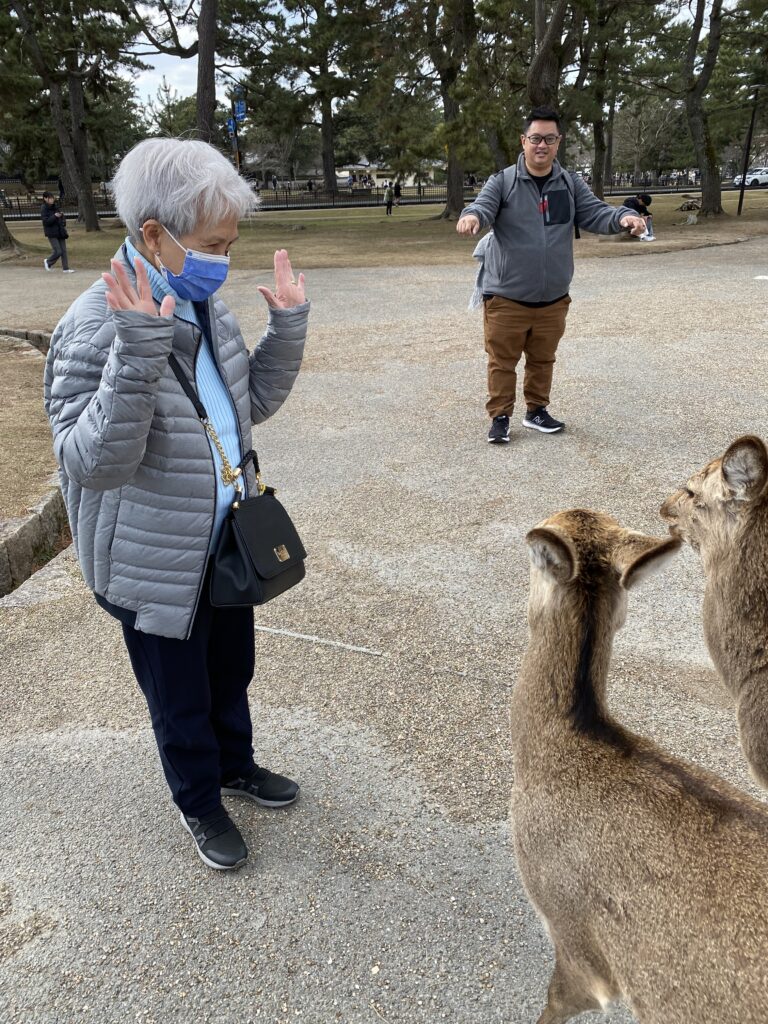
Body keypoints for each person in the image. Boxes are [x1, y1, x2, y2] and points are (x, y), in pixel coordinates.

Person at [43, 138, 310, 871]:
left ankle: (234, 765)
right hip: (152, 555)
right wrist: (136, 348)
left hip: (224, 537)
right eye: (213, 243)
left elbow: (248, 403)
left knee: (231, 671)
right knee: (179, 693)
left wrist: (286, 329)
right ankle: (198, 801)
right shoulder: (95, 324)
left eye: (230, 242)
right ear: (154, 236)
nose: (223, 258)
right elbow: (92, 462)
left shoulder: (203, 302)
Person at [456, 106, 646, 444]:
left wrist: (623, 217)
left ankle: (536, 411)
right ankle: (500, 417)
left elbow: (596, 213)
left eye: (549, 139)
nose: (541, 145)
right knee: (502, 361)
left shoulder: (570, 183)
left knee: (543, 358)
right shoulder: (503, 181)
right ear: (523, 141)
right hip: (506, 296)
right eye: (535, 138)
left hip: (553, 297)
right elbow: (482, 206)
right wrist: (472, 216)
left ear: (558, 143)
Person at [41, 191, 74, 273]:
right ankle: (48, 261)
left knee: (64, 251)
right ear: (45, 199)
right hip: (51, 232)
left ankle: (66, 268)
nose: (52, 200)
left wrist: (61, 217)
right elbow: (46, 222)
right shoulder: (44, 208)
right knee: (58, 251)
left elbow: (59, 217)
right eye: (50, 198)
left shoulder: (55, 206)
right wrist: (54, 216)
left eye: (53, 198)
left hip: (60, 231)